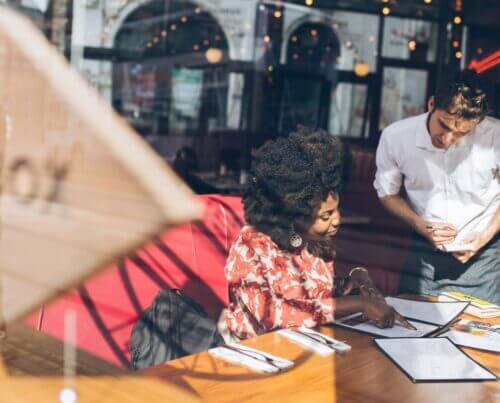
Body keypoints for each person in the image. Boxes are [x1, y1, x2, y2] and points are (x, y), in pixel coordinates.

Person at [218, 127, 413, 342]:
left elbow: (316, 293)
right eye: (326, 215)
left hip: (303, 346)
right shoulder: (251, 247)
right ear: (294, 214)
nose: (337, 220)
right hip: (253, 353)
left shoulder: (307, 241)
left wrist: (354, 280)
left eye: (337, 209)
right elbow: (272, 315)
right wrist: (357, 304)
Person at [374, 70, 499, 304]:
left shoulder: (496, 137)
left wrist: (483, 237)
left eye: (462, 132)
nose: (449, 138)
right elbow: (387, 193)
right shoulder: (395, 137)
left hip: (485, 259)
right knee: (410, 330)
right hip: (423, 253)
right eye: (444, 125)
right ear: (431, 104)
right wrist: (420, 224)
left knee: (480, 336)